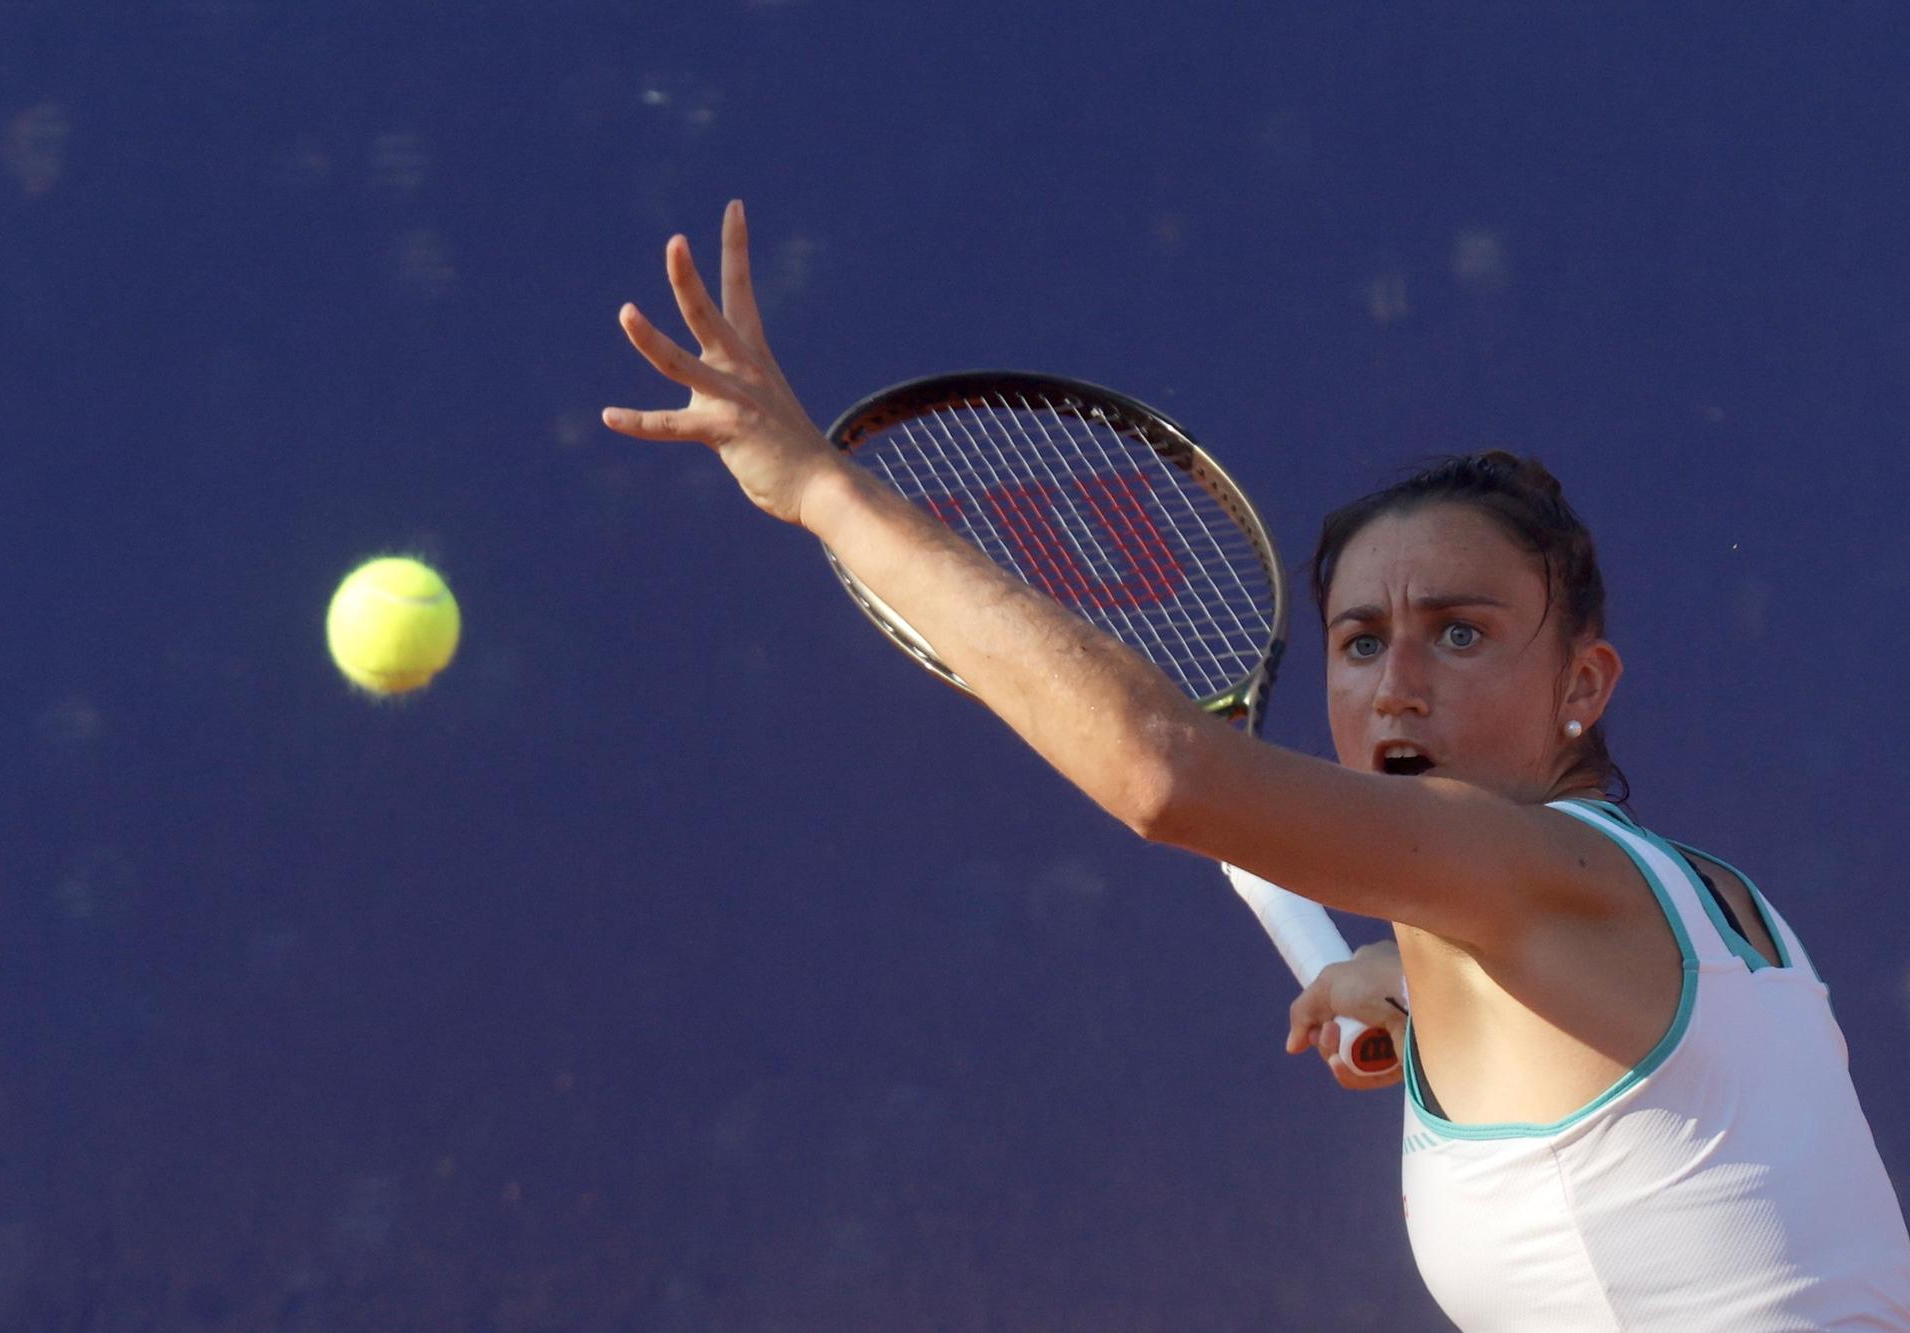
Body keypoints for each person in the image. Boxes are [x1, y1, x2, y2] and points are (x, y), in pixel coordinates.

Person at [602, 200, 1910, 1329]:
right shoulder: (1717, 913)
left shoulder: (1519, 873)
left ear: (1583, 685)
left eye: (1462, 631)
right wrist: (1389, 971)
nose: (1398, 678)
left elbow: (1164, 772)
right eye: (1359, 638)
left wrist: (827, 494)